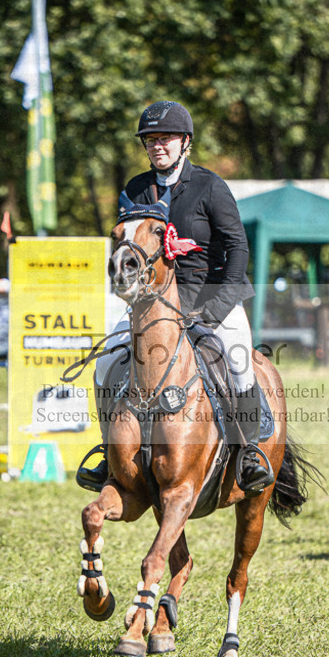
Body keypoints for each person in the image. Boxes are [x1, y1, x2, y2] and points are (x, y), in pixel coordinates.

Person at [77, 99, 273, 494]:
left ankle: (250, 452)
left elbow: (237, 248)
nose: (157, 146)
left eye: (165, 138)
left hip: (210, 299)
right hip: (152, 306)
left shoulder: (210, 187)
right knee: (106, 362)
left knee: (238, 362)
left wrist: (217, 308)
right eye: (150, 140)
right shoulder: (136, 189)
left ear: (185, 142)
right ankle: (109, 451)